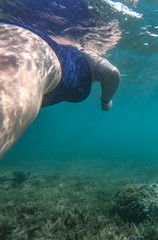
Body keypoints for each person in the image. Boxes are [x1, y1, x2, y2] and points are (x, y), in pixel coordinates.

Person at [0, 19, 120, 159]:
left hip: (9, 28)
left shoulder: (62, 48)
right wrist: (106, 101)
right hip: (33, 53)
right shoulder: (85, 54)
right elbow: (112, 73)